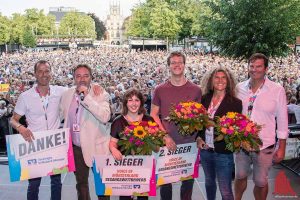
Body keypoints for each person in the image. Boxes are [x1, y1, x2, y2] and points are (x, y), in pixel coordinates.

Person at [235, 53, 288, 200]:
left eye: (258, 66)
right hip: (241, 144)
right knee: (239, 176)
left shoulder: (277, 90)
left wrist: (282, 148)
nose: (254, 69)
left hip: (264, 145)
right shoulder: (239, 88)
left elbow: (283, 121)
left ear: (266, 69)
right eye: (251, 66)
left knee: (261, 181)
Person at [10, 60, 65, 200]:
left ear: (51, 73)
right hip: (35, 144)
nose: (43, 74)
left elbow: (80, 87)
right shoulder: (25, 96)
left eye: (46, 71)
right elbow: (13, 120)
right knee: (34, 185)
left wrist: (96, 88)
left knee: (56, 183)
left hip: (54, 143)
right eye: (40, 71)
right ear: (35, 74)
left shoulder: (60, 91)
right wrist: (21, 127)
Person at [151, 51, 202, 200]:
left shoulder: (196, 90)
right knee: (165, 186)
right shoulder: (160, 89)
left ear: (185, 65)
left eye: (180, 62)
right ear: (168, 66)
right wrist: (165, 136)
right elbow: (153, 114)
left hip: (189, 144)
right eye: (173, 62)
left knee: (187, 186)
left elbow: (200, 117)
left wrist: (198, 136)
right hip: (167, 144)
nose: (177, 65)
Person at [59, 64, 111, 200]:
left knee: (102, 186)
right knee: (81, 185)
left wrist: (87, 96)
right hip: (76, 148)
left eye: (86, 76)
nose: (82, 79)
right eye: (78, 76)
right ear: (74, 78)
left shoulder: (100, 93)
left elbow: (105, 117)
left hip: (97, 148)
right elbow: (60, 115)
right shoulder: (66, 94)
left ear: (91, 77)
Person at [196, 67, 242, 200]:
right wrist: (199, 137)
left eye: (223, 78)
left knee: (225, 189)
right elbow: (198, 123)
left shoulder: (235, 103)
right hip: (206, 150)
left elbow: (234, 130)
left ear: (228, 81)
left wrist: (219, 127)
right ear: (211, 80)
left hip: (223, 152)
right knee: (209, 183)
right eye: (216, 77)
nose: (220, 80)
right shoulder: (203, 99)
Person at [109, 88, 152, 200]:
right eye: (130, 100)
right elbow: (112, 143)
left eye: (136, 100)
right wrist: (114, 150)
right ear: (125, 103)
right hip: (125, 169)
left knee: (143, 198)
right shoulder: (118, 121)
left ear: (141, 102)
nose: (133, 104)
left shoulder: (149, 120)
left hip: (143, 167)